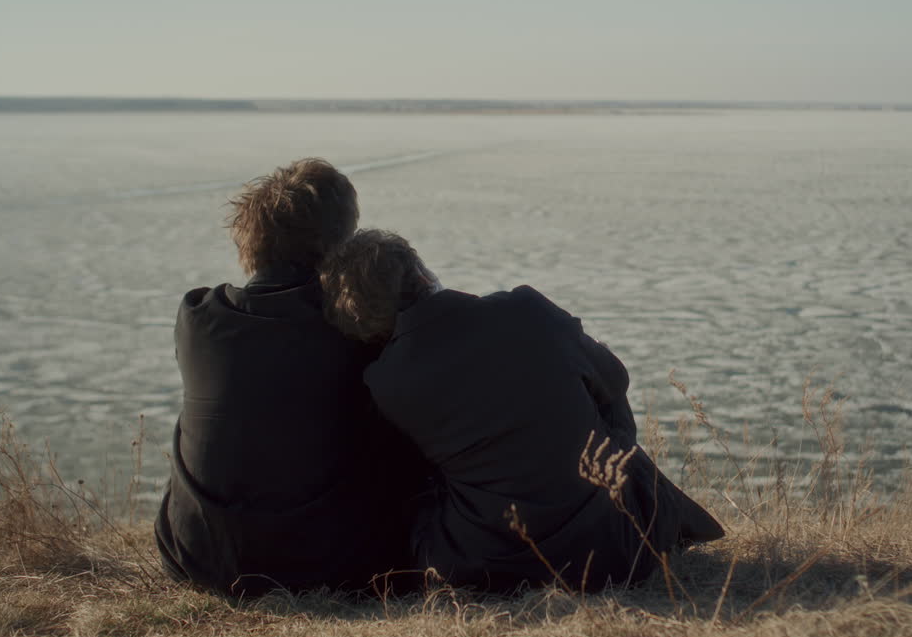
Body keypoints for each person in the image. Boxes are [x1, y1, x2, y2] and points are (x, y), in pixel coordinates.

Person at [318, 229, 725, 592]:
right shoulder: (526, 311)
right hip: (616, 552)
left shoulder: (386, 384)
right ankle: (661, 510)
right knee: (598, 397)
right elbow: (614, 380)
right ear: (423, 275)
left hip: (487, 567)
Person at [154, 159, 429, 597]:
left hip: (195, 556)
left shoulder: (197, 317)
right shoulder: (355, 330)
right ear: (341, 244)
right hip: (327, 566)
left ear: (248, 241)